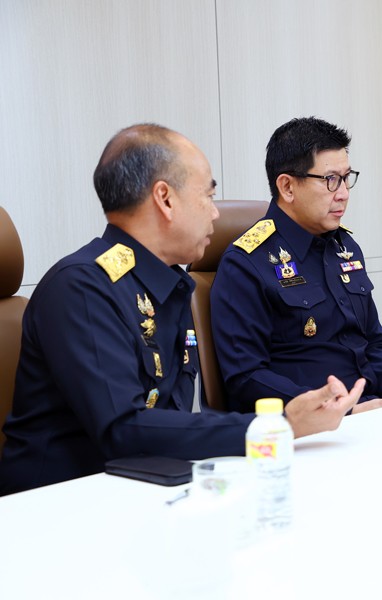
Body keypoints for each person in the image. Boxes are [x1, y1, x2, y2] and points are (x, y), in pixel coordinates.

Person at [0, 124, 363, 496]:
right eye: (207, 195)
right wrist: (276, 426)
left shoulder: (171, 285)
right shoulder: (82, 287)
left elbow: (169, 420)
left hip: (144, 483)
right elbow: (123, 429)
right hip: (59, 500)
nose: (215, 213)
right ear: (165, 199)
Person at [211, 117, 382, 413]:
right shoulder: (245, 264)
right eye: (331, 180)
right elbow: (247, 378)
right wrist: (339, 410)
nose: (343, 193)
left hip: (372, 411)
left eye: (346, 178)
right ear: (287, 187)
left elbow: (373, 342)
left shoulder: (345, 247)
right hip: (309, 426)